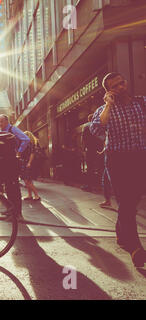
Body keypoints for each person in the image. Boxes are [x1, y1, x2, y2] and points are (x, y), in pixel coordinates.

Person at [90, 72, 146, 268]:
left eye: (122, 83)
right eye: (115, 86)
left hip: (140, 157)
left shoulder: (141, 103)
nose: (121, 87)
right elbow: (97, 128)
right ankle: (135, 247)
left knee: (133, 199)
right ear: (109, 91)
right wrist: (108, 105)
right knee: (125, 200)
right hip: (117, 159)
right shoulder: (104, 110)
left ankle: (121, 235)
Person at [0, 114, 30, 219]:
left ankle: (18, 213)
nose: (0, 124)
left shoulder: (13, 129)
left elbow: (26, 139)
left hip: (13, 162)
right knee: (8, 187)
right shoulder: (2, 132)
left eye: (1, 121)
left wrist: (19, 152)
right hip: (6, 163)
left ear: (7, 121)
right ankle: (11, 210)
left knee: (14, 187)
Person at [81, 113, 104, 192]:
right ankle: (103, 185)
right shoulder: (99, 125)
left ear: (88, 119)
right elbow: (102, 137)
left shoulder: (86, 126)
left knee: (90, 168)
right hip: (99, 149)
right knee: (101, 167)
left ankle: (89, 186)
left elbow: (83, 139)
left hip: (90, 150)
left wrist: (83, 149)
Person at [22, 131, 41, 201]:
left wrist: (29, 162)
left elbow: (32, 154)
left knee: (27, 181)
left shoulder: (31, 144)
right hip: (25, 162)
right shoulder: (26, 144)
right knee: (26, 180)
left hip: (28, 163)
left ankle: (37, 195)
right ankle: (29, 195)